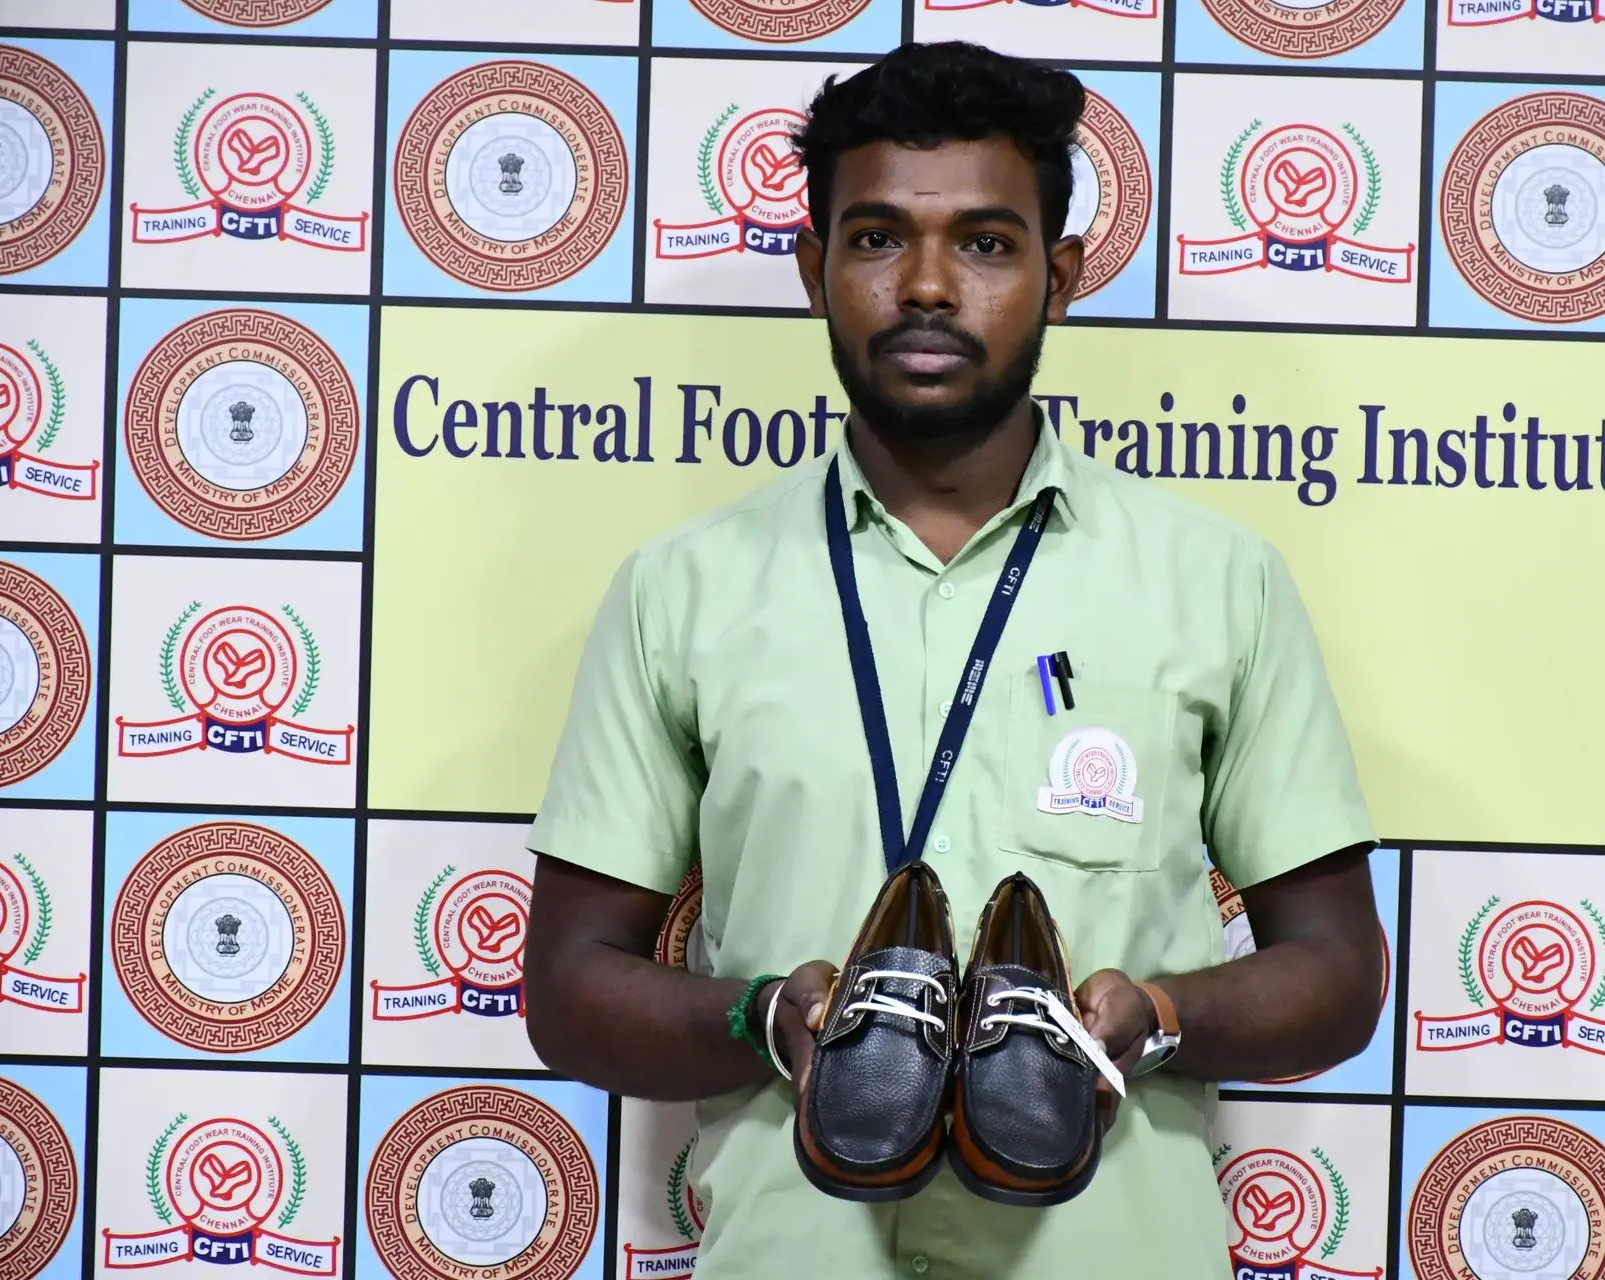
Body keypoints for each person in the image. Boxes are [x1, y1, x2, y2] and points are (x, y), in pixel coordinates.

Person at [522, 40, 1383, 1280]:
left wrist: (1156, 1015)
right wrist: (767, 1016)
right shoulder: (683, 591)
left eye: (985, 242)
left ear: (1060, 275)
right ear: (814, 269)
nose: (927, 285)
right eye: (877, 238)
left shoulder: (1218, 582)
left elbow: (1340, 972)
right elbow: (569, 987)